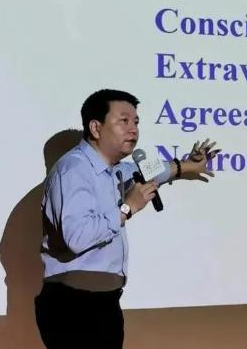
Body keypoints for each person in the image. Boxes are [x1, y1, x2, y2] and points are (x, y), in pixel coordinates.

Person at [34, 89, 217, 349]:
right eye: (124, 121)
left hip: (103, 301)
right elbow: (77, 237)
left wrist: (186, 165)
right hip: (73, 306)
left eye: (136, 122)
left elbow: (151, 171)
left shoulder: (117, 169)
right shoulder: (74, 170)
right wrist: (127, 208)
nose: (133, 129)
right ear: (96, 128)